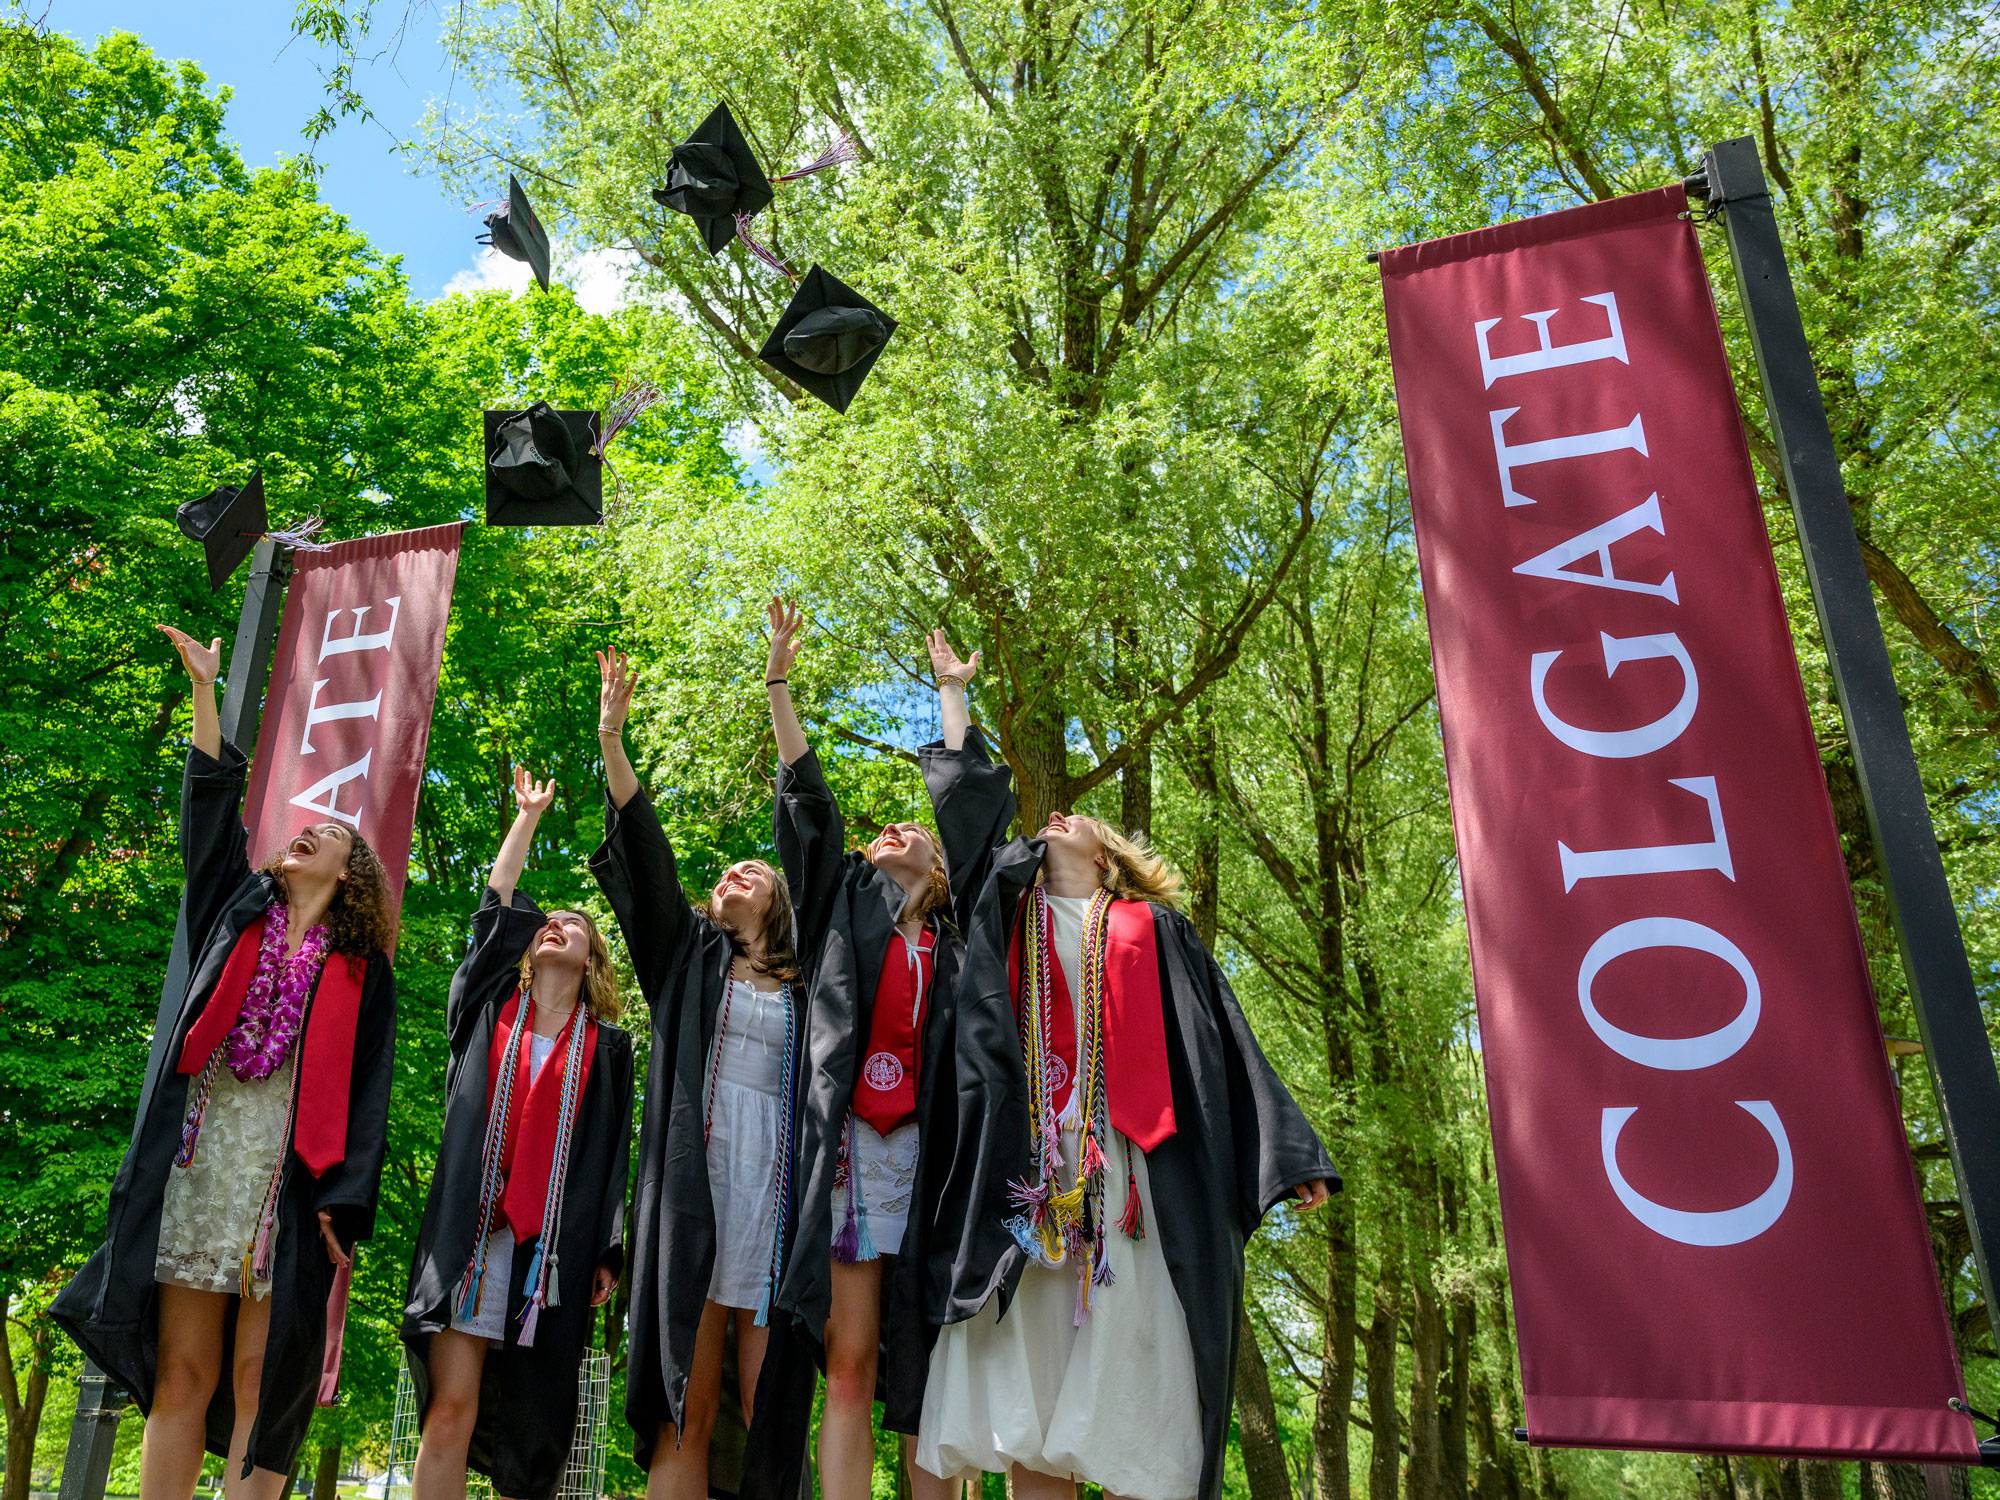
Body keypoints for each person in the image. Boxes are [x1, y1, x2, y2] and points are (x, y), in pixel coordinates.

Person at [917, 765, 1338, 1500]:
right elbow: (974, 829)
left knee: (1138, 1384)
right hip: (1035, 1180)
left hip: (1131, 1174)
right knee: (1038, 1385)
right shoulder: (1009, 917)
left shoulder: (1157, 932)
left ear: (1106, 857)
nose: (1055, 820)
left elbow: (1228, 1043)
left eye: (1074, 821)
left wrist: (1286, 1151)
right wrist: (954, 699)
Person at [54, 625, 398, 1500]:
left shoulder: (363, 975)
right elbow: (209, 823)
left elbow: (368, 1098)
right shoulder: (236, 914)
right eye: (301, 829)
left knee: (261, 1377)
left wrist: (346, 1205)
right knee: (180, 1374)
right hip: (203, 1159)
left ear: (353, 871)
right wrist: (206, 691)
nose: (302, 835)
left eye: (323, 833)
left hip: (290, 1178)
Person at [745, 603, 1013, 1500]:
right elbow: (809, 800)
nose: (894, 831)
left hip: (934, 1162)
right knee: (852, 1362)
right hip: (857, 1151)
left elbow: (972, 823)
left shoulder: (962, 946)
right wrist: (780, 682)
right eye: (886, 829)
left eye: (915, 832)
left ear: (938, 874)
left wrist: (950, 698)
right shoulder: (844, 908)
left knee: (930, 1367)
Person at [586, 647, 805, 1500]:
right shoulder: (688, 958)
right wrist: (613, 742)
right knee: (692, 1394)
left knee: (773, 1398)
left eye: (754, 868)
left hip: (778, 1191)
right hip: (698, 1182)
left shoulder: (813, 982)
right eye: (725, 872)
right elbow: (648, 862)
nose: (733, 872)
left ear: (780, 901)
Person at [403, 768, 635, 1500]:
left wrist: (607, 1249)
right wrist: (526, 819)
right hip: (470, 1236)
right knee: (451, 1410)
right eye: (547, 922)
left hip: (552, 1254)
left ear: (592, 956)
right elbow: (492, 909)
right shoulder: (483, 1015)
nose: (555, 924)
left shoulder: (610, 1049)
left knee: (536, 1430)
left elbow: (610, 1154)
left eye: (574, 921)